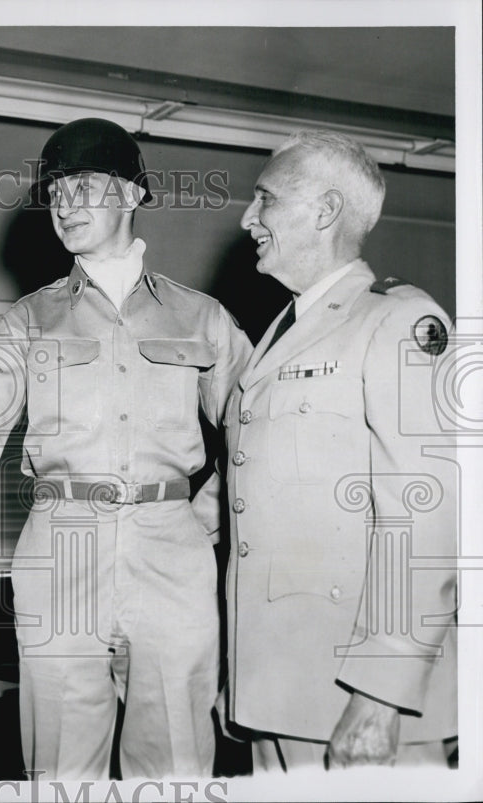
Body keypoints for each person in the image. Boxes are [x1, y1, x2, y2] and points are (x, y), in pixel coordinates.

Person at [0, 119, 253, 778]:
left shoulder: (200, 317)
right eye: (54, 191)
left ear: (134, 193)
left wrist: (205, 518)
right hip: (61, 551)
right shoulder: (29, 318)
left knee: (176, 765)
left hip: (173, 559)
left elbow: (256, 433)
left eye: (83, 185)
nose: (64, 204)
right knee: (60, 771)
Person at [222, 129, 457, 770]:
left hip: (356, 698)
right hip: (277, 691)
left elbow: (430, 517)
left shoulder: (399, 322)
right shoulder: (282, 331)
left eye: (265, 199)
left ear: (325, 211)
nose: (248, 219)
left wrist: (381, 694)